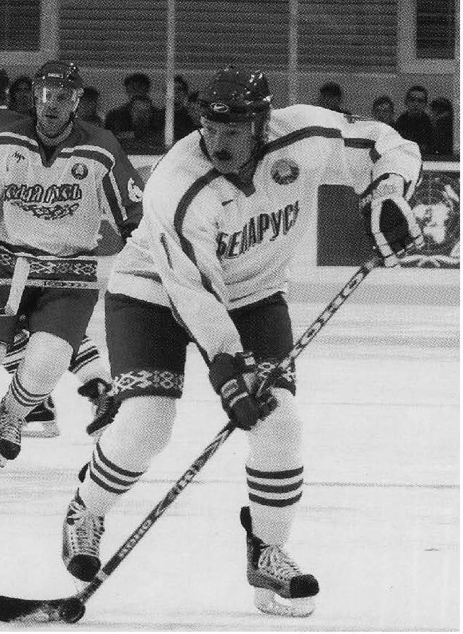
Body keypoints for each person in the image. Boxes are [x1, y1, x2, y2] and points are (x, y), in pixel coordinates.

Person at [60, 66, 423, 617]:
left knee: (281, 423)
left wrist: (388, 193)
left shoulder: (301, 134)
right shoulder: (178, 182)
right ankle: (86, 511)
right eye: (209, 127)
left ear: (260, 123)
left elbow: (382, 143)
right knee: (146, 425)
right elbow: (193, 290)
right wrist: (228, 369)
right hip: (153, 293)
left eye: (232, 131)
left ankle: (267, 550)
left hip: (254, 296)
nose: (218, 141)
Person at [0, 60, 143, 466]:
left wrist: (150, 257)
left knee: (48, 361)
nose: (51, 105)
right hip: (0, 263)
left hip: (66, 271)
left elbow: (133, 211)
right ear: (32, 97)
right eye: (44, 95)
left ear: (76, 101)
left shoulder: (100, 146)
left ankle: (14, 414)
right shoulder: (4, 139)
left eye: (62, 97)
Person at [394, 85, 435, 156]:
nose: (416, 104)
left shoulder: (431, 125)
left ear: (425, 104)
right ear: (406, 102)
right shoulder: (400, 123)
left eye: (420, 101)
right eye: (412, 100)